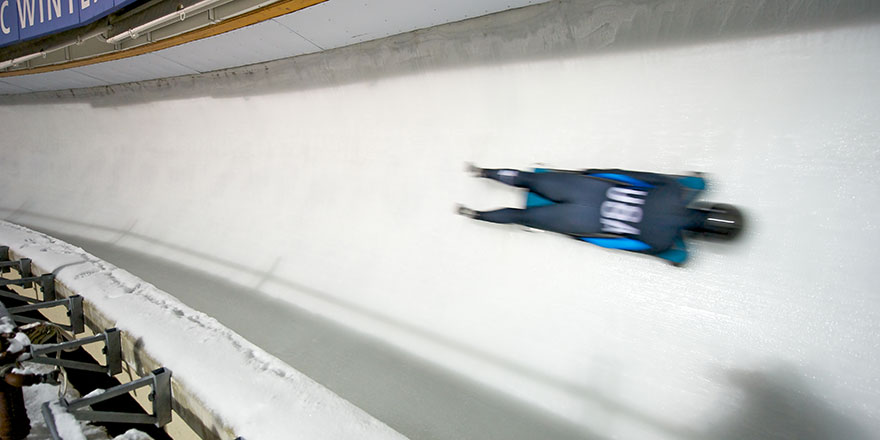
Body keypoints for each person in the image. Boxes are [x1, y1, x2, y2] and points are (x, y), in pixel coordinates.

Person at [457, 164, 743, 265]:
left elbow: (627, 175)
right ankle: (476, 215)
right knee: (523, 216)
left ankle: (483, 172)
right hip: (584, 222)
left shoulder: (677, 188)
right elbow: (620, 244)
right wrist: (582, 236)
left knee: (529, 179)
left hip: (590, 189)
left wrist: (590, 175)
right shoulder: (669, 246)